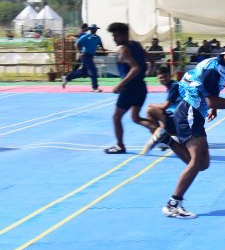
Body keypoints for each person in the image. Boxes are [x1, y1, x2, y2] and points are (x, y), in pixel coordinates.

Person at [149, 34, 225, 218]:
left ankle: (166, 139)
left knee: (203, 164)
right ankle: (173, 204)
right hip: (190, 111)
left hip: (194, 109)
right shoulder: (215, 69)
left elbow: (204, 91)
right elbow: (210, 98)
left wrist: (212, 106)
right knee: (196, 161)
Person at [104, 22, 158, 154]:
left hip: (129, 89)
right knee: (136, 118)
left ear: (123, 35)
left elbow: (135, 68)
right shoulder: (137, 45)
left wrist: (119, 85)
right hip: (141, 88)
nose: (114, 39)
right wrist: (149, 71)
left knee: (116, 117)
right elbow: (152, 60)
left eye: (116, 36)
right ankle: (160, 133)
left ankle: (120, 146)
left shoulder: (124, 49)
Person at [145, 65, 181, 151]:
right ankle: (164, 134)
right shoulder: (173, 85)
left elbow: (165, 106)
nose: (163, 79)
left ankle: (162, 136)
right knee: (156, 111)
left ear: (170, 75)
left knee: (150, 111)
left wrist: (152, 105)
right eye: (160, 78)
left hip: (179, 118)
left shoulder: (174, 86)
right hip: (180, 117)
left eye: (165, 76)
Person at [62, 24, 106, 92]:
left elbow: (101, 46)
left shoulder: (98, 38)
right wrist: (79, 52)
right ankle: (95, 87)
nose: (94, 30)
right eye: (92, 29)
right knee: (93, 70)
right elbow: (76, 44)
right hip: (85, 55)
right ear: (90, 30)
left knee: (83, 72)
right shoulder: (85, 36)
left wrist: (104, 50)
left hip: (91, 56)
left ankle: (67, 78)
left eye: (95, 29)